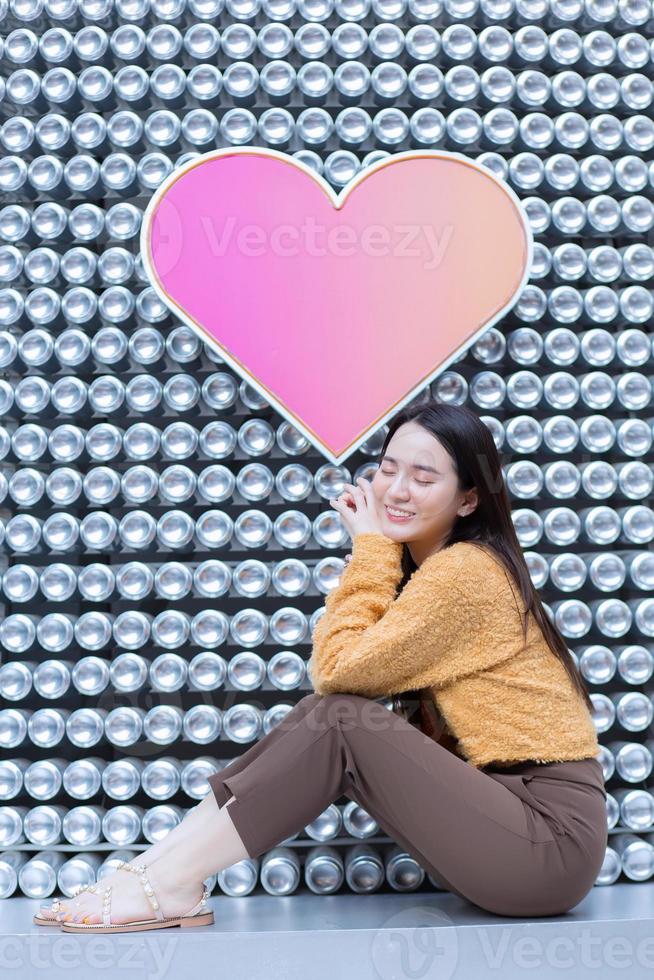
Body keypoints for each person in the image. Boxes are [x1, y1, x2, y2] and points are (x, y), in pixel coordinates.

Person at [40, 399, 607, 931]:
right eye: (389, 469)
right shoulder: (438, 573)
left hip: (545, 841)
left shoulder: (468, 574)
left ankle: (169, 880)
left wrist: (371, 549)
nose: (397, 491)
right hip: (508, 831)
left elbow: (338, 671)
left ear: (468, 499)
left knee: (338, 717)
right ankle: (158, 872)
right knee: (330, 716)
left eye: (425, 477)